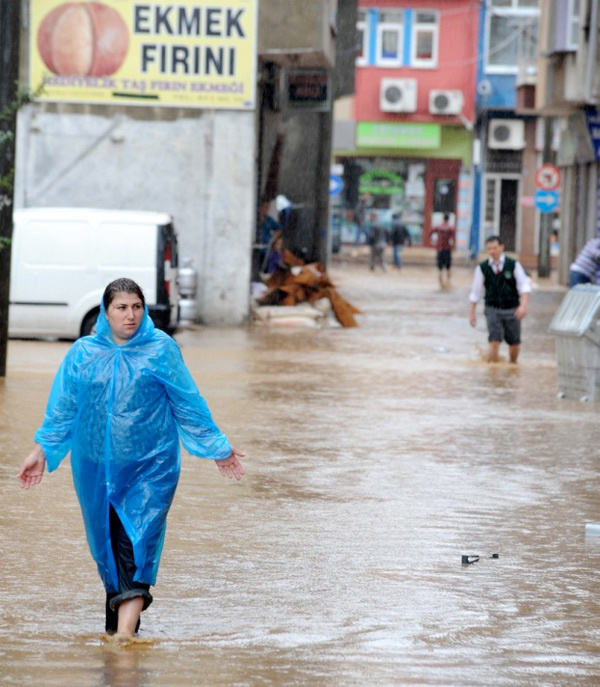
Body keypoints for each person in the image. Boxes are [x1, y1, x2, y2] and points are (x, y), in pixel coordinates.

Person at [17, 278, 245, 638]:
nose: (131, 315)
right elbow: (63, 409)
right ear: (105, 312)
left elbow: (188, 402)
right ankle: (120, 642)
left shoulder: (160, 349)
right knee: (108, 550)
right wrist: (40, 451)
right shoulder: (83, 353)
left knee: (137, 546)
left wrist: (218, 447)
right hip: (95, 470)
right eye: (122, 308)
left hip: (151, 469)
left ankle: (123, 644)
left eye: (137, 306)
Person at [468, 235, 531, 364]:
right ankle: (493, 371)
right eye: (489, 249)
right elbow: (476, 292)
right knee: (494, 340)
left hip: (512, 308)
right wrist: (471, 313)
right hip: (492, 308)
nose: (492, 251)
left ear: (501, 247)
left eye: (494, 248)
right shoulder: (482, 268)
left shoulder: (513, 265)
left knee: (514, 343)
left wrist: (523, 306)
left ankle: (513, 366)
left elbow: (524, 286)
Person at [430, 213, 456, 289]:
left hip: (440, 248)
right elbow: (453, 239)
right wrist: (452, 246)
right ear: (448, 219)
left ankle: (440, 282)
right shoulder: (451, 228)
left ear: (443, 218)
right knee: (448, 266)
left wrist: (432, 241)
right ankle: (448, 282)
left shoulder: (438, 226)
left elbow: (431, 231)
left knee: (440, 267)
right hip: (447, 249)